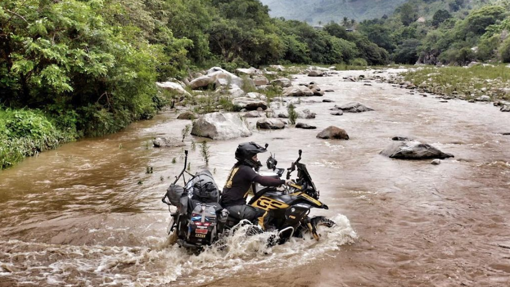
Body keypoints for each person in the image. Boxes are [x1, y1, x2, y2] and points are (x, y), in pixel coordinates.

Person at [220, 142, 290, 230]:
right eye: (255, 157)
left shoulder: (238, 167)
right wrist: (284, 181)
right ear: (247, 158)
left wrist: (275, 186)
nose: (257, 159)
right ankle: (268, 238)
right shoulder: (246, 169)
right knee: (265, 211)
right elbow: (262, 180)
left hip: (228, 204)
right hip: (234, 206)